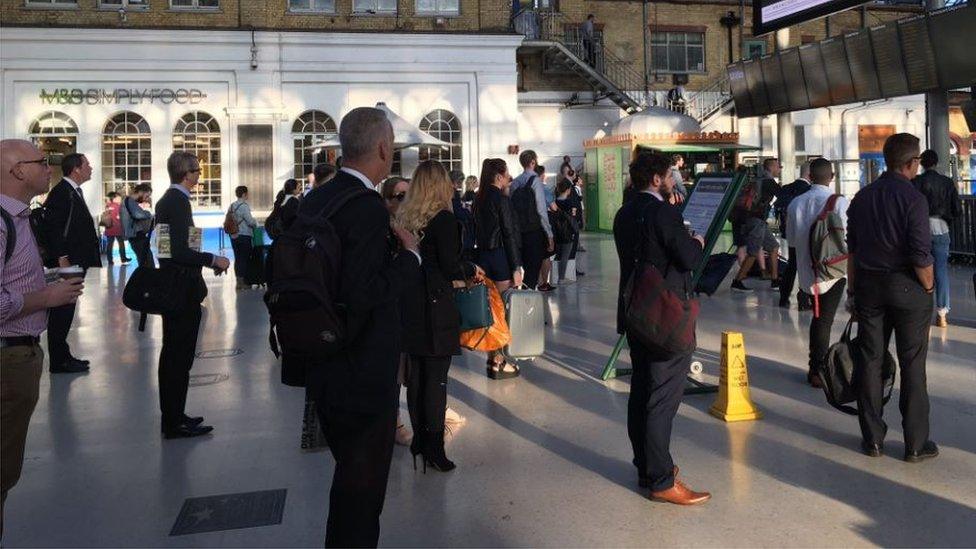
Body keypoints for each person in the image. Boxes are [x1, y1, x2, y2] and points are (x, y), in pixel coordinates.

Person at [298, 107, 422, 548]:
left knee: (349, 477)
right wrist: (408, 257)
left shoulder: (317, 200)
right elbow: (366, 292)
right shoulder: (366, 209)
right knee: (363, 493)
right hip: (363, 370)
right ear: (385, 149)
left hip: (321, 360)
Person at [612, 151, 709, 505]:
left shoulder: (625, 213)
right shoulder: (663, 213)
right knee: (663, 396)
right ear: (656, 179)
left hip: (636, 310)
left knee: (641, 390)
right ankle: (661, 478)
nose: (672, 180)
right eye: (668, 174)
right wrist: (695, 241)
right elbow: (687, 257)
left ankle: (647, 466)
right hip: (666, 315)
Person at [1, 139, 85, 532]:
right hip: (8, 358)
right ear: (17, 170)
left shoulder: (20, 218)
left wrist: (48, 280)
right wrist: (45, 296)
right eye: (40, 162)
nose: (47, 167)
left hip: (21, 355)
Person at [848, 133, 938, 463]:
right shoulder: (914, 200)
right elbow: (920, 254)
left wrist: (853, 291)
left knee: (871, 360)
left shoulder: (862, 197)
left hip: (869, 287)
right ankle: (916, 444)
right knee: (913, 363)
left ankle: (872, 439)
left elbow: (853, 251)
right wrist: (928, 288)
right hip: (908, 289)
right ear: (912, 163)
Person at [396, 161, 480, 473]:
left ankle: (420, 441)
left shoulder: (404, 217)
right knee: (436, 381)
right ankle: (434, 448)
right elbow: (450, 265)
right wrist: (470, 269)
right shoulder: (443, 219)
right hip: (435, 305)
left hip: (410, 305)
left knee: (416, 379)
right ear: (440, 185)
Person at [155, 152, 230, 439]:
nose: (200, 175)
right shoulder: (176, 202)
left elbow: (165, 247)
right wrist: (213, 260)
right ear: (187, 173)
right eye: (197, 170)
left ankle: (175, 414)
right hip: (180, 291)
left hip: (176, 286)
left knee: (176, 355)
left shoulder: (168, 201)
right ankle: (173, 421)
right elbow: (179, 250)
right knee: (178, 356)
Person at [786, 158, 847, 388]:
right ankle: (817, 369)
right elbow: (847, 239)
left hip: (807, 272)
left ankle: (818, 366)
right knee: (823, 320)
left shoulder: (795, 204)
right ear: (832, 177)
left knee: (820, 318)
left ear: (809, 176)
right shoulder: (839, 203)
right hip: (832, 271)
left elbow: (791, 241)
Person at [41, 153, 101, 374]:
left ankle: (62, 354)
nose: (90, 167)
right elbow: (54, 228)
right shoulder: (62, 193)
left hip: (75, 260)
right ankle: (59, 360)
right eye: (87, 164)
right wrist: (62, 256)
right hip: (68, 262)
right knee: (62, 309)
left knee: (67, 307)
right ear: (76, 168)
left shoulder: (72, 191)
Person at [474, 158, 524, 379]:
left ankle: (492, 358)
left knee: (490, 310)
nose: (509, 177)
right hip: (501, 257)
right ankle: (499, 360)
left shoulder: (479, 198)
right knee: (502, 311)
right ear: (499, 176)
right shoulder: (501, 200)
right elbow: (508, 233)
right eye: (506, 174)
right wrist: (516, 266)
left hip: (483, 257)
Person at [912, 149, 962, 328]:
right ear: (936, 162)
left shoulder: (916, 181)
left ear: (922, 163)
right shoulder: (947, 183)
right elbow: (957, 209)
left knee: (919, 268)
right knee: (940, 271)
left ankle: (921, 312)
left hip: (920, 231)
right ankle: (942, 314)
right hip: (941, 229)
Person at [730, 158, 782, 292]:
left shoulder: (757, 180)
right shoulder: (768, 181)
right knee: (753, 252)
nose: (779, 169)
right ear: (771, 168)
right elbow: (783, 195)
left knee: (773, 246)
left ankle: (775, 280)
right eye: (777, 166)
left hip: (755, 221)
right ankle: (738, 281)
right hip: (755, 221)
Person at [511, 150, 554, 289]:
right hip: (533, 230)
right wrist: (549, 234)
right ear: (533, 162)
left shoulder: (515, 182)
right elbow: (541, 211)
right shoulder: (536, 181)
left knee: (524, 265)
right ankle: (527, 300)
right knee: (532, 269)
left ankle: (522, 297)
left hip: (518, 231)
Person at [777, 161, 813, 310]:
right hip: (807, 234)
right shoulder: (810, 191)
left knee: (792, 265)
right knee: (807, 267)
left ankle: (784, 298)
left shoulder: (786, 188)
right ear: (810, 174)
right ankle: (804, 300)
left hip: (791, 233)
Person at [228, 185, 259, 290]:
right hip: (244, 236)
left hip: (233, 236)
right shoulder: (244, 206)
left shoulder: (232, 206)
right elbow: (250, 222)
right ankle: (243, 282)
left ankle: (238, 281)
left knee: (238, 258)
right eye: (247, 193)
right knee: (244, 259)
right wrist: (256, 223)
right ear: (244, 194)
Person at [553, 178, 581, 283]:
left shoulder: (555, 201)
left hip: (557, 230)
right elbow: (573, 215)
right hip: (567, 231)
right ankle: (561, 278)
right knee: (565, 255)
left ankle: (554, 276)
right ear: (568, 190)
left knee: (558, 254)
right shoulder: (569, 202)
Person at [120, 183, 154, 267]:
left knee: (145, 263)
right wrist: (148, 214)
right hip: (137, 237)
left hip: (136, 237)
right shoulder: (129, 201)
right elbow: (138, 214)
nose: (146, 199)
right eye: (147, 196)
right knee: (148, 264)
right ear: (141, 192)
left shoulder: (130, 202)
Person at [535, 164, 556, 291]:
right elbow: (553, 207)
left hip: (529, 225)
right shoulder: (544, 189)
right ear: (542, 175)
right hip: (543, 224)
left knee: (535, 254)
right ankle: (544, 282)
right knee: (546, 255)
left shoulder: (523, 186)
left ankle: (537, 281)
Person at [451, 170, 477, 262]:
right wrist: (468, 213)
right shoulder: (454, 193)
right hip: (464, 227)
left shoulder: (462, 194)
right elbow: (458, 211)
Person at [102, 192, 130, 265]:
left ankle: (110, 260)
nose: (120, 199)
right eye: (119, 197)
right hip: (117, 229)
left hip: (109, 229)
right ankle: (123, 258)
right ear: (114, 198)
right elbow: (120, 217)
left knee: (109, 245)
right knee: (121, 244)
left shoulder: (108, 206)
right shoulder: (118, 207)